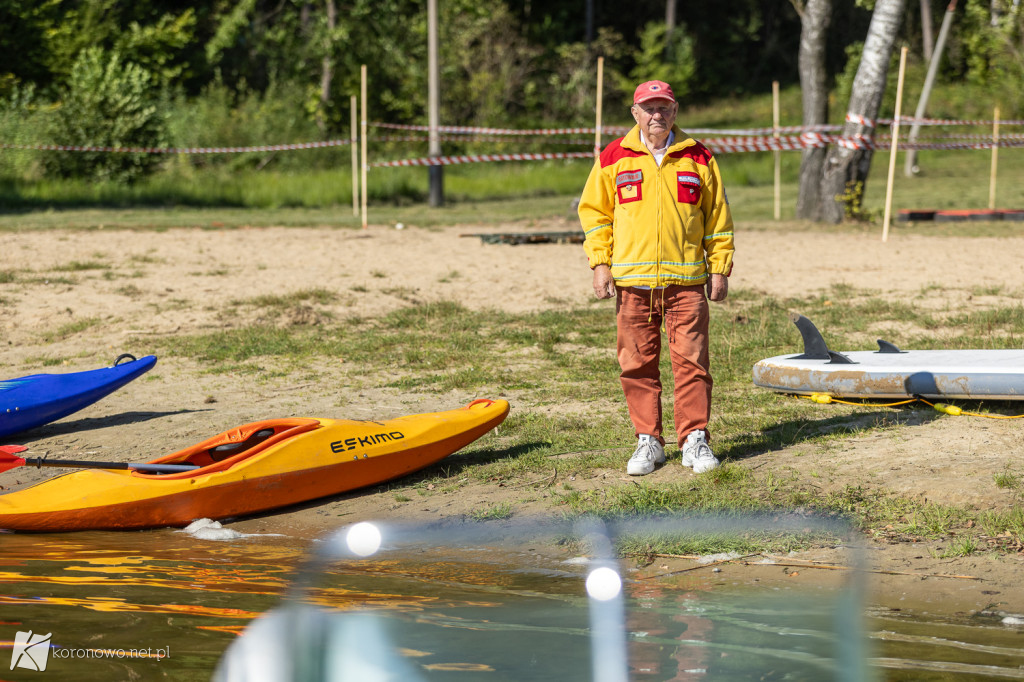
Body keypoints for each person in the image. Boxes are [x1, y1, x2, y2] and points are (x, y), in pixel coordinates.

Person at [577, 79, 735, 476]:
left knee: (693, 364)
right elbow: (596, 215)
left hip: (687, 284)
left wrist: (719, 268)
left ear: (675, 110)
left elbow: (718, 220)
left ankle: (694, 439)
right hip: (633, 284)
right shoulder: (614, 156)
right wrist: (600, 264)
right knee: (637, 366)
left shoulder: (700, 157)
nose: (656, 115)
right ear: (635, 114)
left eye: (663, 107)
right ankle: (648, 441)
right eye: (648, 108)